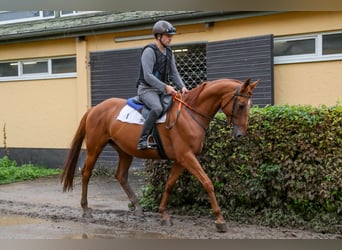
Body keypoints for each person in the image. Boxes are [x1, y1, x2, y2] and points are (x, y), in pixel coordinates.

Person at [136, 20, 189, 150]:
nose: (170, 39)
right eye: (168, 36)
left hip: (160, 90)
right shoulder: (149, 51)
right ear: (158, 36)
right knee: (157, 108)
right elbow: (148, 76)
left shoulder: (169, 53)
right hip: (146, 90)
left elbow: (174, 73)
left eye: (171, 36)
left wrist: (182, 87)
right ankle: (142, 140)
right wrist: (165, 87)